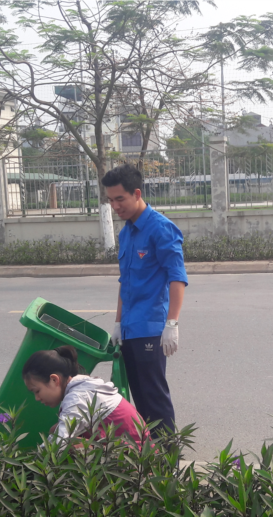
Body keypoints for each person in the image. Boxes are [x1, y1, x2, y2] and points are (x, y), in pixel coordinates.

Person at [103, 164, 187, 437]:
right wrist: (118, 323)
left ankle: (168, 456)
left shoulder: (161, 229)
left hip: (150, 328)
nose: (115, 206)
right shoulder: (126, 232)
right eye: (110, 200)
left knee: (154, 399)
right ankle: (149, 456)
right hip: (129, 328)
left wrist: (172, 323)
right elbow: (125, 282)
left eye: (120, 199)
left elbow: (177, 277)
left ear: (137, 193)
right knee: (138, 400)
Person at [22, 345, 146, 446]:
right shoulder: (80, 387)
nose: (37, 398)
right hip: (125, 445)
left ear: (54, 380)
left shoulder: (77, 397)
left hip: (137, 455)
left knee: (71, 444)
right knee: (56, 430)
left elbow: (60, 440)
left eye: (37, 391)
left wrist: (35, 463)